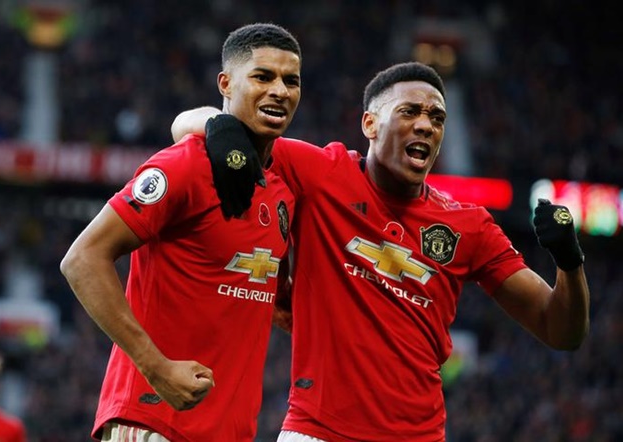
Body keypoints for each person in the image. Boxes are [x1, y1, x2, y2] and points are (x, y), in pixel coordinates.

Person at [171, 61, 590, 441]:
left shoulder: (470, 226)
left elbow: (561, 331)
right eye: (410, 112)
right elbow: (192, 126)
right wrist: (220, 126)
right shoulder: (321, 174)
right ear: (370, 124)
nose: (426, 125)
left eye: (437, 118)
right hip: (317, 432)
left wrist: (570, 262)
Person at [60, 22, 302, 441]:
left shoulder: (285, 184)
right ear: (225, 83)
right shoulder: (186, 164)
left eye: (291, 80)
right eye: (263, 76)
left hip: (230, 431)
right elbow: (81, 259)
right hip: (155, 420)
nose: (280, 90)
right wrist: (155, 366)